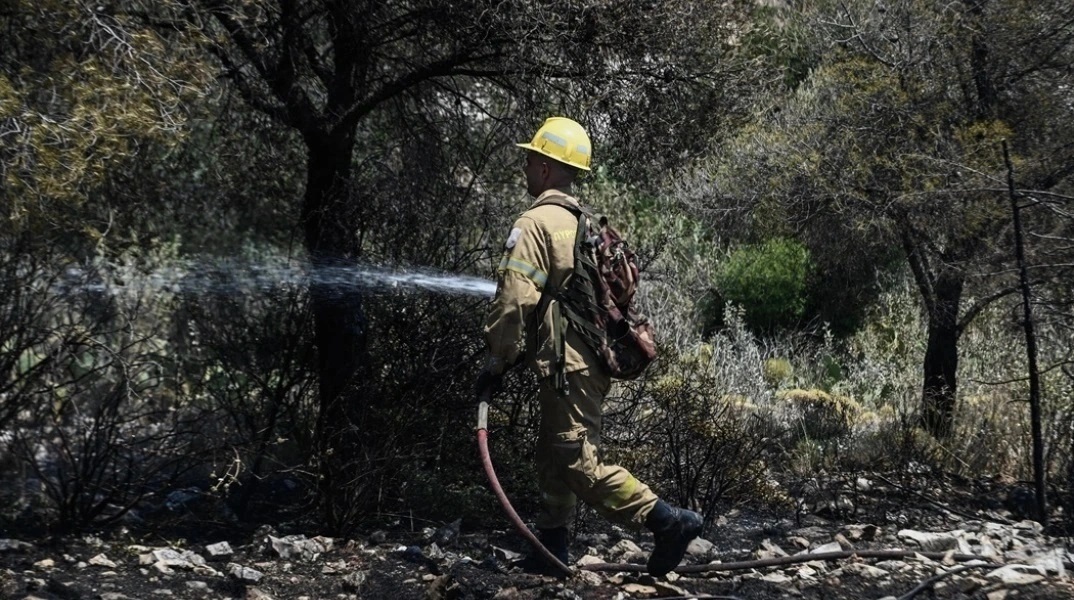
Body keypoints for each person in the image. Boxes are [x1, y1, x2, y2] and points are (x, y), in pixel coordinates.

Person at [476, 116, 702, 577]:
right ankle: (552, 549)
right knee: (554, 457)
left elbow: (515, 299)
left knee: (578, 462)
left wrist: (497, 361)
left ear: (544, 167)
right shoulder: (581, 223)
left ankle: (667, 521)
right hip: (588, 360)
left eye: (529, 158)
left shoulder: (536, 222)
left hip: (567, 363)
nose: (524, 165)